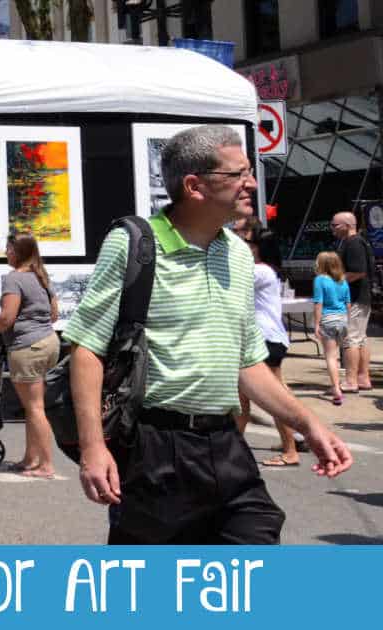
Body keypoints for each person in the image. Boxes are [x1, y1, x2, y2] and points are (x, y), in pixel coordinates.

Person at [65, 125, 351, 545]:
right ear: (195, 186)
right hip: (155, 448)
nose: (250, 183)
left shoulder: (236, 253)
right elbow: (87, 348)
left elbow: (247, 362)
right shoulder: (133, 246)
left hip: (224, 442)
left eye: (249, 171)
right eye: (237, 174)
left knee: (256, 544)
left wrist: (308, 424)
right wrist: (93, 448)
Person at [0, 233, 60, 478]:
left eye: (8, 248)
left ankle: (45, 464)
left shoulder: (14, 279)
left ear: (18, 252)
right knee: (32, 407)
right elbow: (54, 313)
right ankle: (30, 458)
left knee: (34, 408)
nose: (5, 252)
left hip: (27, 347)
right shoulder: (41, 277)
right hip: (48, 342)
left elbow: (6, 317)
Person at [236, 228, 299, 466]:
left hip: (265, 339)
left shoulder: (260, 271)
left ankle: (291, 449)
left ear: (259, 247)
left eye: (247, 241)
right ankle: (234, 447)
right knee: (243, 395)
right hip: (266, 338)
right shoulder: (267, 271)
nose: (244, 245)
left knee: (273, 396)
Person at [332, 211, 374, 392]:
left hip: (355, 298)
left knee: (351, 340)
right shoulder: (355, 242)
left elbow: (358, 271)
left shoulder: (354, 243)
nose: (332, 229)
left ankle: (351, 381)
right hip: (360, 297)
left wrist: (334, 282)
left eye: (336, 225)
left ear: (348, 225)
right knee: (360, 339)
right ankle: (363, 378)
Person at [313, 251, 352, 405]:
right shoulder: (343, 281)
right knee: (335, 355)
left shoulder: (320, 280)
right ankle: (335, 384)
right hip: (342, 320)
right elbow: (348, 304)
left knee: (330, 356)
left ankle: (336, 388)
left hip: (328, 320)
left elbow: (318, 303)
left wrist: (316, 324)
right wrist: (347, 322)